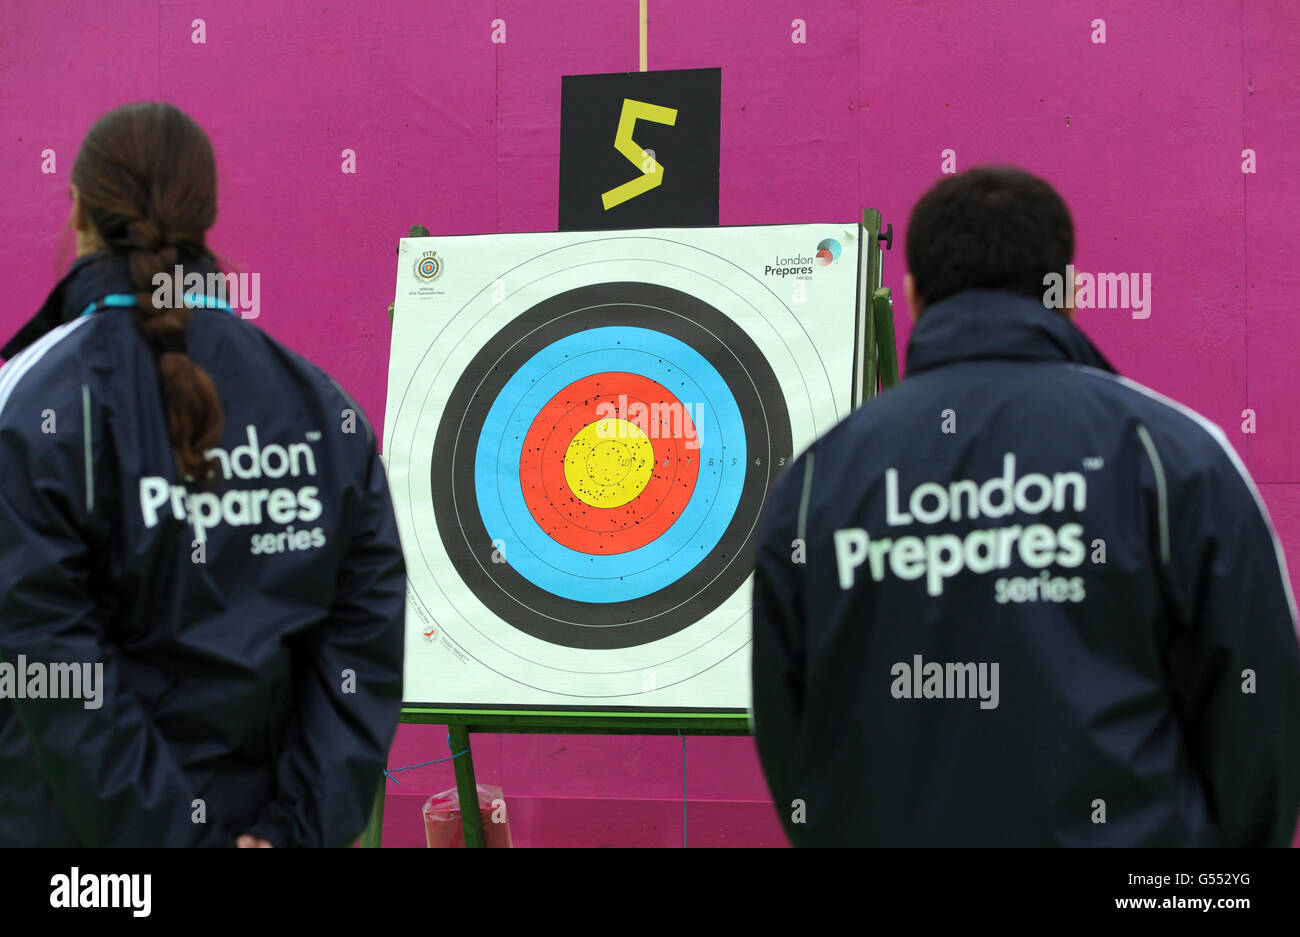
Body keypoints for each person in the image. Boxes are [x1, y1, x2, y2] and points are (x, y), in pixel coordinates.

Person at [750, 165, 1300, 847]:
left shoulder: (813, 485)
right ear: (1066, 294)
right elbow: (1260, 719)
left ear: (913, 296)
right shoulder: (1173, 455)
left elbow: (785, 727)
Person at [0, 102, 406, 847]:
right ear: (205, 217)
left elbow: (46, 667)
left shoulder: (26, 401)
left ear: (80, 211)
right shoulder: (323, 407)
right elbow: (362, 641)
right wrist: (298, 829)